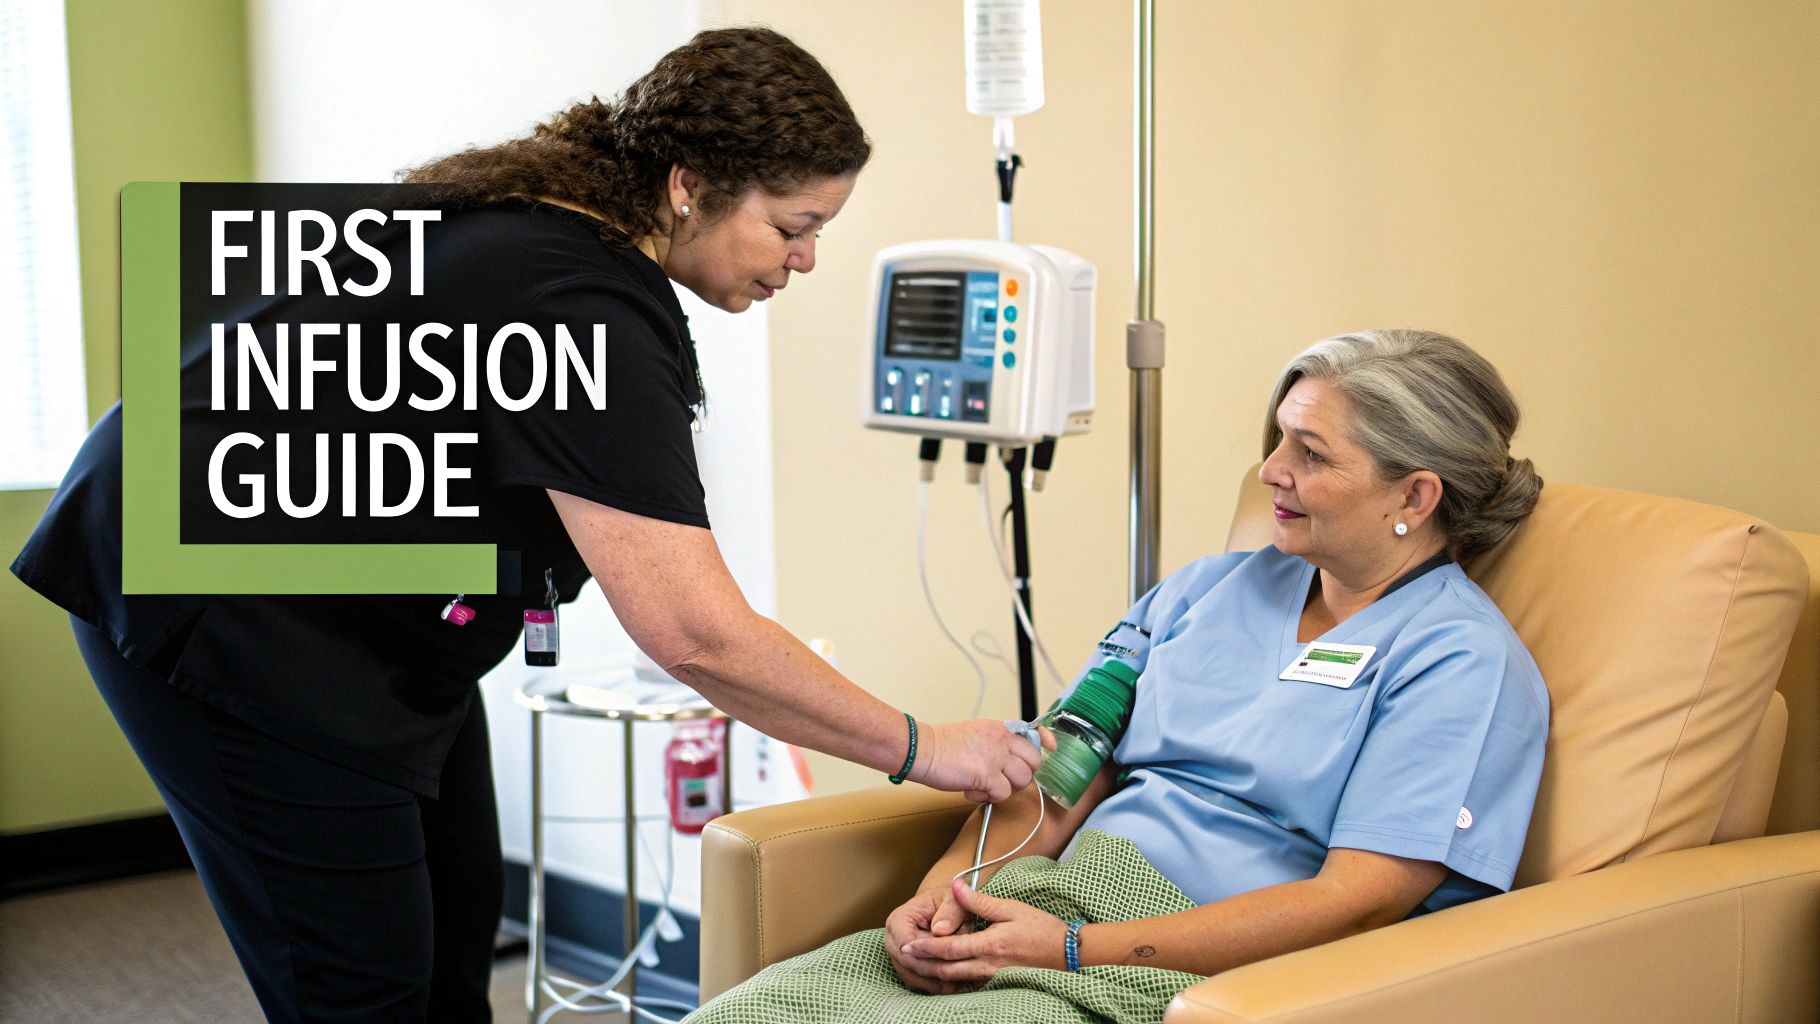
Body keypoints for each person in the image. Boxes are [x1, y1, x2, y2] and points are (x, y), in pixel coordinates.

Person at [10, 27, 1041, 1024]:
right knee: (360, 988)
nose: (807, 259)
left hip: (360, 614)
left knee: (455, 947)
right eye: (791, 225)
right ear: (688, 185)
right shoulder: (573, 298)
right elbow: (694, 633)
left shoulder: (557, 244)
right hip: (214, 600)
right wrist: (922, 745)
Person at [688, 329, 1551, 1024]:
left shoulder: (1458, 663)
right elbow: (1068, 762)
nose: (1272, 471)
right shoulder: (1208, 589)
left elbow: (1358, 904)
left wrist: (1068, 952)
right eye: (1279, 437)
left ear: (1415, 498)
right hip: (1043, 904)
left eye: (1312, 454)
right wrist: (950, 894)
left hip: (1189, 968)